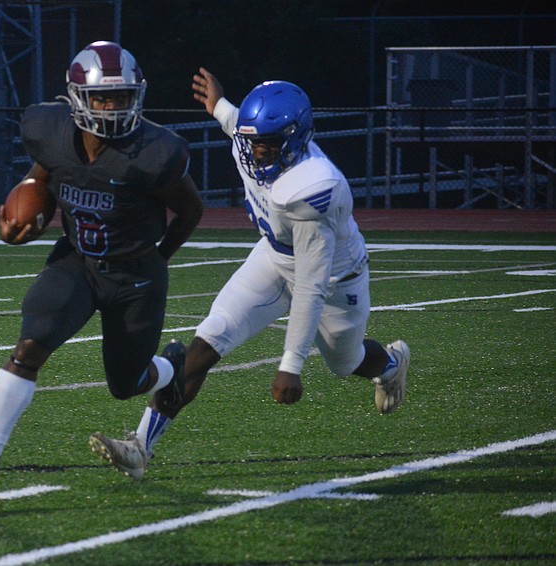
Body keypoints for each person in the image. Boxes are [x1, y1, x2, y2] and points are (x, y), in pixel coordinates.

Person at [89, 67, 410, 481]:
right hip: (274, 257)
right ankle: (140, 446)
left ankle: (389, 365)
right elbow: (235, 123)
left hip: (333, 280)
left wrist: (291, 365)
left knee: (346, 362)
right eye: (254, 142)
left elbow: (311, 286)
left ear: (296, 137)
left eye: (269, 144)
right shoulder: (249, 138)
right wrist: (219, 104)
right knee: (208, 339)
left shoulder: (314, 187)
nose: (258, 152)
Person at [0, 41, 203, 509]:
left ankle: (170, 369)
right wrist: (24, 213)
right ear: (76, 99)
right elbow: (41, 177)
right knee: (29, 347)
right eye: (103, 98)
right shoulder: (51, 130)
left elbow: (191, 211)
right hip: (78, 262)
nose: (112, 107)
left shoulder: (153, 151)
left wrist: (157, 260)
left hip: (135, 276)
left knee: (124, 384)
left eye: (122, 97)